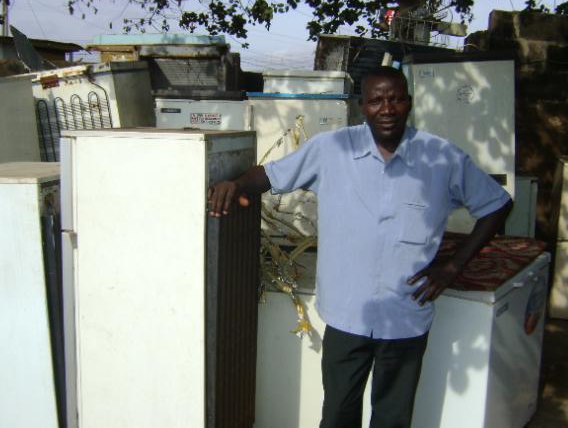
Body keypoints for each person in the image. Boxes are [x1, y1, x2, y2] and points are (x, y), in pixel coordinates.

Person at [208, 66, 512, 428]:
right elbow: (272, 174)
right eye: (376, 100)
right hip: (347, 313)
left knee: (393, 418)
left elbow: (496, 204)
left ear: (409, 103)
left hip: (405, 314)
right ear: (362, 106)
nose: (387, 109)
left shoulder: (441, 157)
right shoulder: (331, 148)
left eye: (396, 99)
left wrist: (453, 267)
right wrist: (236, 185)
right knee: (338, 413)